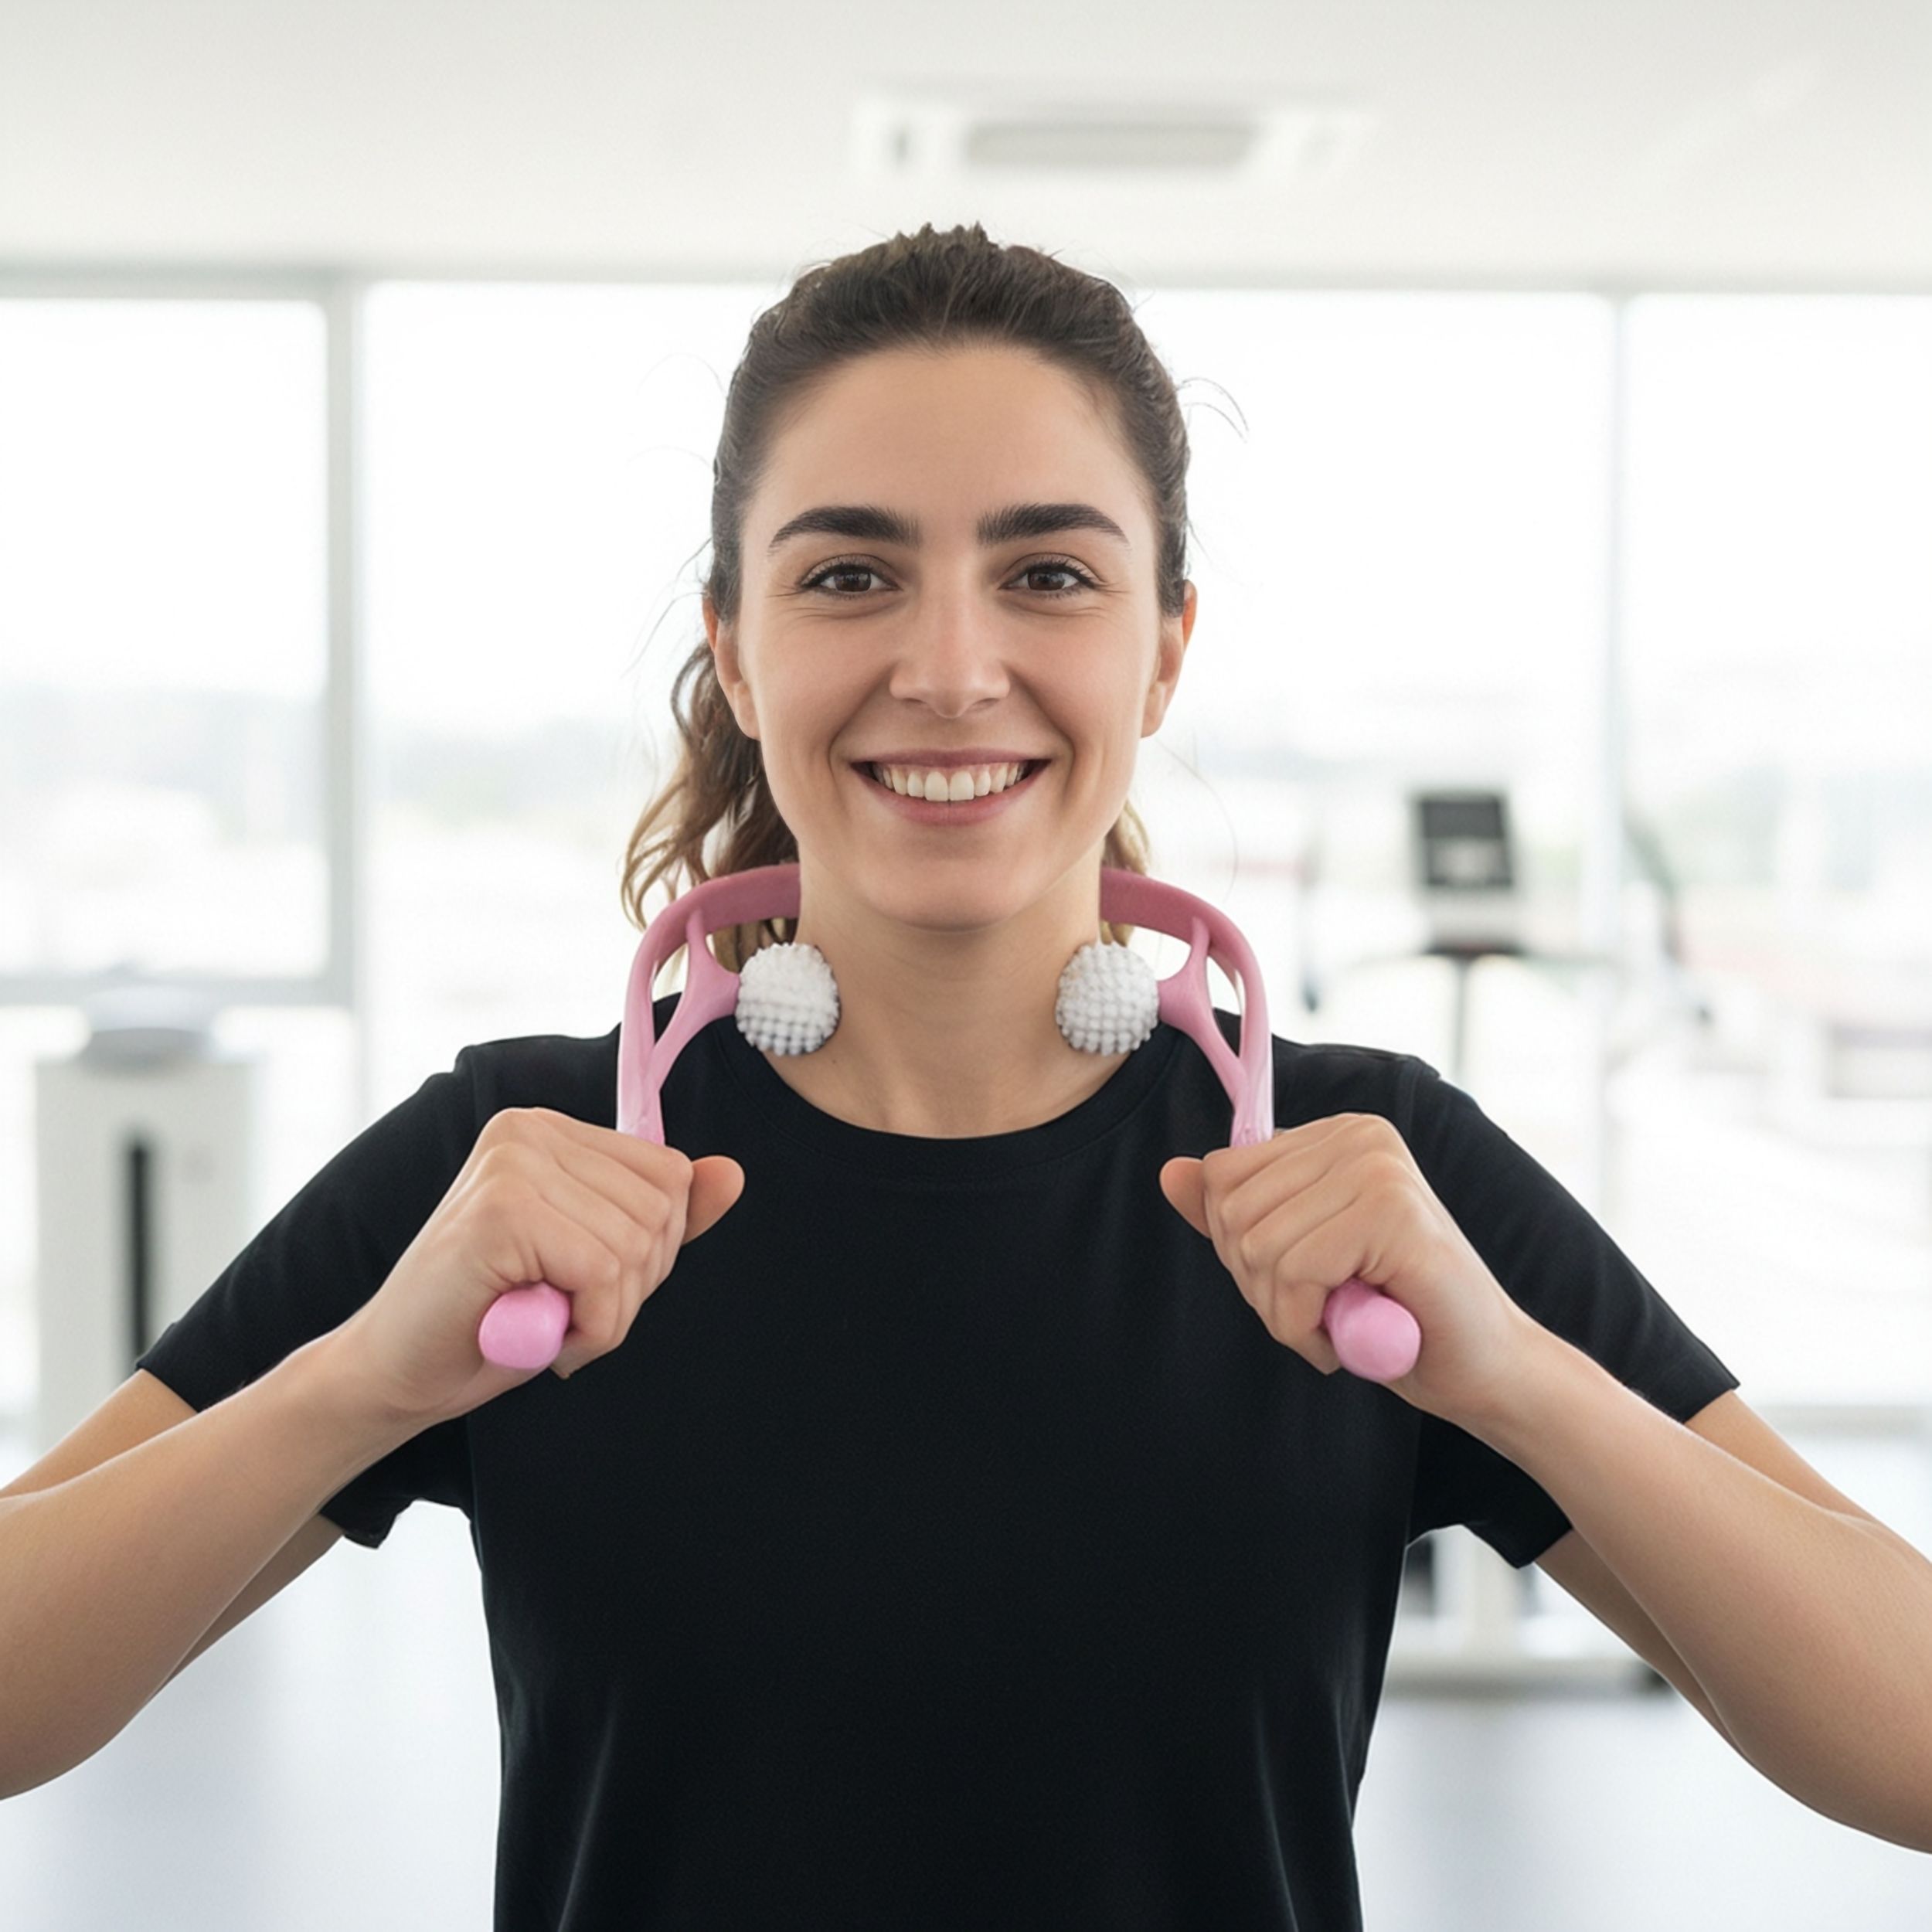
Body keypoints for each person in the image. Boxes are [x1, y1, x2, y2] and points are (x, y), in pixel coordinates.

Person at [3, 222, 1930, 1930]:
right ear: (737, 653)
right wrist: (364, 1377)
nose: (946, 665)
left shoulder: (1367, 1178)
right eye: (847, 575)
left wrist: (1510, 1376)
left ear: (1162, 649)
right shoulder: (517, 1173)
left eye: (1049, 576)